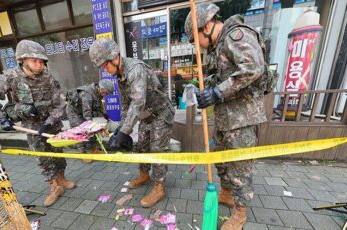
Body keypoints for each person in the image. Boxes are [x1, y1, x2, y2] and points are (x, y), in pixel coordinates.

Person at [185, 3, 267, 229]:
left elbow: (253, 68)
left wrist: (217, 92)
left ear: (207, 25)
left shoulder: (236, 36)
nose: (197, 45)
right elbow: (220, 78)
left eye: (195, 39)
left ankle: (240, 214)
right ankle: (227, 194)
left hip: (242, 118)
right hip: (225, 119)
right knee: (220, 160)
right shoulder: (218, 46)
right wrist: (207, 91)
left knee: (240, 169)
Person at [0, 39, 75, 207]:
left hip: (51, 125)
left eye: (41, 61)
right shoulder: (10, 77)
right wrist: (2, 117)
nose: (40, 65)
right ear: (23, 60)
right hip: (31, 127)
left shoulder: (48, 77)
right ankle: (54, 187)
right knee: (43, 157)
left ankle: (62, 179)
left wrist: (48, 122)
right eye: (35, 61)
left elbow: (60, 105)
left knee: (58, 153)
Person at [89, 38, 175, 208]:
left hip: (161, 113)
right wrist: (121, 128)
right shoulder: (120, 75)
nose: (105, 70)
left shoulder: (135, 70)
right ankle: (144, 175)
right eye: (102, 67)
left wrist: (125, 132)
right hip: (146, 116)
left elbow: (138, 103)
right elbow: (126, 105)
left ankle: (159, 187)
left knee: (156, 150)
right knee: (142, 146)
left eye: (105, 65)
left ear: (114, 57)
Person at [66, 79, 115, 163]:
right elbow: (87, 115)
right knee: (80, 131)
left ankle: (94, 149)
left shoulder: (97, 93)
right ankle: (82, 153)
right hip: (74, 112)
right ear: (101, 89)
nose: (105, 96)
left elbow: (98, 108)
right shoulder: (87, 95)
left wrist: (104, 116)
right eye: (106, 93)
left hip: (83, 111)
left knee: (92, 130)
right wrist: (95, 127)